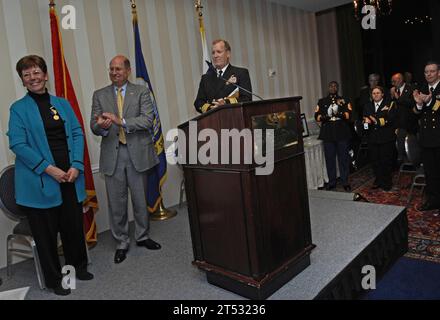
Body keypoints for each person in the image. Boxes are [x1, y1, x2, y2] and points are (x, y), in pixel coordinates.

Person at [7, 55, 93, 296]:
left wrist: (76, 165)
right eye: (27, 75)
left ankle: (79, 267)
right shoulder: (18, 109)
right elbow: (18, 144)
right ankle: (56, 280)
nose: (33, 78)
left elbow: (77, 133)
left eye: (36, 72)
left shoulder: (62, 103)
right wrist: (49, 168)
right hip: (40, 181)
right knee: (45, 236)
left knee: (72, 227)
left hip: (70, 176)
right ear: (23, 81)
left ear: (45, 75)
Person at [90, 55, 160, 264]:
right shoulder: (99, 95)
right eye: (111, 69)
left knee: (140, 199)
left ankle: (142, 236)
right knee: (116, 202)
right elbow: (94, 125)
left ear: (128, 71)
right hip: (113, 154)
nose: (114, 73)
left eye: (118, 69)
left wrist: (120, 121)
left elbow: (148, 119)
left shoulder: (141, 92)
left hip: (137, 153)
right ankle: (121, 241)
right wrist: (101, 126)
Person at [194, 39, 252, 113]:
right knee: (193, 124)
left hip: (234, 118)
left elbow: (247, 99)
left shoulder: (241, 73)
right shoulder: (206, 78)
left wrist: (225, 103)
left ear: (228, 54)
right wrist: (211, 108)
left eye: (219, 52)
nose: (215, 55)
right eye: (213, 53)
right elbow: (198, 102)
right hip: (213, 119)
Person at [314, 81, 352, 191]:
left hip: (342, 133)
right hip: (328, 134)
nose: (333, 88)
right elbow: (317, 116)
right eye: (331, 86)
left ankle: (345, 181)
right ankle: (332, 182)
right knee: (329, 159)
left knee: (343, 159)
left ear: (338, 88)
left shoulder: (344, 100)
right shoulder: (322, 101)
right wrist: (327, 116)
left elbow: (349, 114)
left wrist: (338, 114)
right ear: (328, 88)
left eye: (335, 86)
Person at [413, 61, 440, 212]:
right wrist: (418, 105)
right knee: (430, 173)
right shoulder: (422, 89)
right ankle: (433, 200)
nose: (428, 74)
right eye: (426, 72)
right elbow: (416, 113)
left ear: (439, 73)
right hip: (427, 138)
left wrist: (430, 101)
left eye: (432, 71)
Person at [363, 86, 397, 191]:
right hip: (372, 138)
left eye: (378, 93)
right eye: (373, 93)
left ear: (382, 94)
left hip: (386, 137)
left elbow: (390, 119)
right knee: (375, 161)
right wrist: (366, 123)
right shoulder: (367, 106)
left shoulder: (389, 104)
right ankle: (378, 180)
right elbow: (365, 119)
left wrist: (374, 120)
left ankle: (387, 182)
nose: (376, 95)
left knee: (385, 161)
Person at [390, 73, 416, 165]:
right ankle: (398, 161)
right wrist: (392, 97)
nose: (393, 83)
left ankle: (403, 159)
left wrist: (399, 98)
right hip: (396, 123)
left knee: (404, 140)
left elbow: (413, 103)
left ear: (401, 80)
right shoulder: (393, 91)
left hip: (409, 122)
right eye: (392, 81)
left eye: (394, 81)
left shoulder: (411, 88)